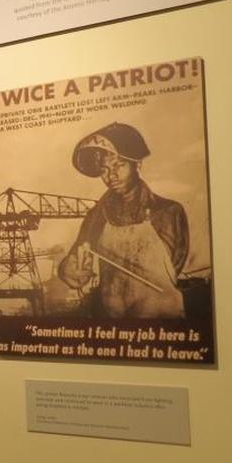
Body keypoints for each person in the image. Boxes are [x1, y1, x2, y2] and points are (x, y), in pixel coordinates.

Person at [57, 122, 189, 318]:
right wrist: (68, 270)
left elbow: (174, 267)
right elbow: (78, 256)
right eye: (104, 169)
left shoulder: (168, 211)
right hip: (111, 323)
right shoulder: (97, 216)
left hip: (161, 322)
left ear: (138, 164)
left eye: (119, 165)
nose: (112, 176)